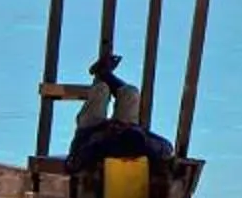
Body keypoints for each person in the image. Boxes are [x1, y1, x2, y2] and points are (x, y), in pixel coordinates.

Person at [64, 51, 173, 179]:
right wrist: (131, 129)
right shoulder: (146, 145)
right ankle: (105, 74)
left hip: (90, 132)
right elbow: (166, 147)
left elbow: (74, 162)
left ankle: (102, 76)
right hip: (124, 130)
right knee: (130, 93)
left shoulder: (99, 147)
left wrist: (105, 133)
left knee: (101, 91)